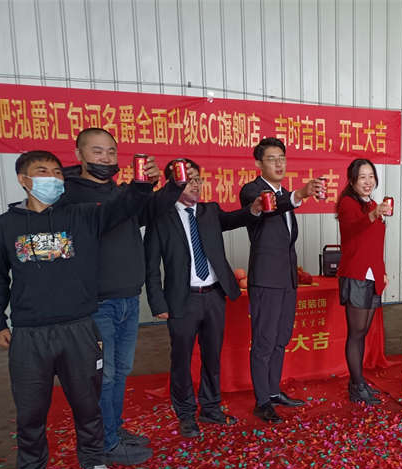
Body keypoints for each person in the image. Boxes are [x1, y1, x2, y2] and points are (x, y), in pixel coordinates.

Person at [0, 150, 165, 469]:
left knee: (87, 404)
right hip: (30, 333)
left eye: (56, 172)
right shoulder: (5, 225)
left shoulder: (80, 217)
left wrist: (142, 183)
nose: (52, 178)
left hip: (79, 327)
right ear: (23, 179)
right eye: (42, 171)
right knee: (31, 411)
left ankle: (93, 464)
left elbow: (122, 208)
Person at [63, 127, 187, 465]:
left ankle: (113, 430)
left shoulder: (118, 191)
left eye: (111, 152)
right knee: (104, 376)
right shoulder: (71, 194)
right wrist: (139, 188)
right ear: (78, 155)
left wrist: (173, 185)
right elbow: (113, 214)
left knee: (120, 371)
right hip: (96, 302)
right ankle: (104, 442)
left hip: (128, 299)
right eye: (97, 151)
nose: (105, 158)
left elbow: (144, 211)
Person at [145, 160, 256, 437]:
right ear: (172, 184)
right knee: (181, 360)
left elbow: (235, 219)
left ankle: (211, 407)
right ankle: (185, 414)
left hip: (214, 296)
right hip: (182, 300)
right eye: (187, 180)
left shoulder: (209, 212)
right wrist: (157, 303)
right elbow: (151, 265)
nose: (194, 184)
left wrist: (253, 210)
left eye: (197, 179)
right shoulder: (161, 218)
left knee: (212, 356)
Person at [239, 138, 322, 423]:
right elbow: (270, 207)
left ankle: (273, 391)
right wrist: (300, 194)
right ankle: (262, 401)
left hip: (287, 280)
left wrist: (293, 195)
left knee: (280, 338)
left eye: (282, 158)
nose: (279, 163)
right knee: (264, 341)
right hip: (265, 280)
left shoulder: (284, 193)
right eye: (272, 158)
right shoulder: (252, 191)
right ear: (258, 164)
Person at [336, 158, 389, 405]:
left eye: (371, 176)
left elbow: (376, 244)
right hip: (355, 274)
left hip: (372, 275)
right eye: (362, 177)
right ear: (352, 181)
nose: (368, 182)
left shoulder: (373, 204)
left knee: (363, 332)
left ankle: (357, 381)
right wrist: (374, 214)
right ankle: (357, 386)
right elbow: (354, 229)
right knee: (356, 333)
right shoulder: (348, 203)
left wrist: (382, 271)